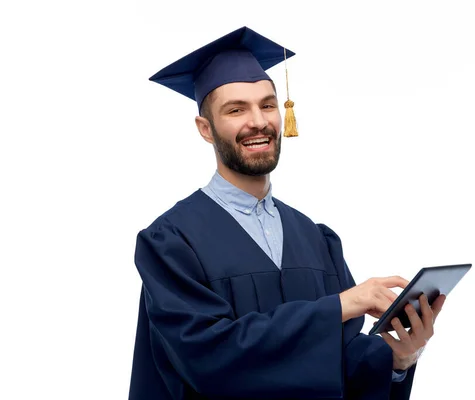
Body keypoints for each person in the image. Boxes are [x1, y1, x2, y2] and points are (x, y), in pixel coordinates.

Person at [129, 26, 446, 400]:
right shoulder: (170, 241)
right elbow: (209, 360)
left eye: (267, 104)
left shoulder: (316, 239)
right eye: (236, 109)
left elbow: (339, 364)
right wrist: (341, 306)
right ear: (205, 129)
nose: (258, 121)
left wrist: (400, 360)